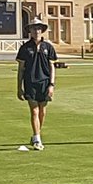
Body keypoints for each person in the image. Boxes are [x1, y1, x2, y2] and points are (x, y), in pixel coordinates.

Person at [16, 17, 58, 151]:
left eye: (39, 28)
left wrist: (52, 84)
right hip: (30, 82)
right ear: (30, 30)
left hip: (45, 82)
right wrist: (19, 87)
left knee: (42, 112)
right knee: (34, 111)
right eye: (34, 28)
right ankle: (37, 138)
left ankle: (37, 134)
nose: (37, 31)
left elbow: (52, 67)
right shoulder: (25, 48)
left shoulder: (48, 47)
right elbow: (21, 69)